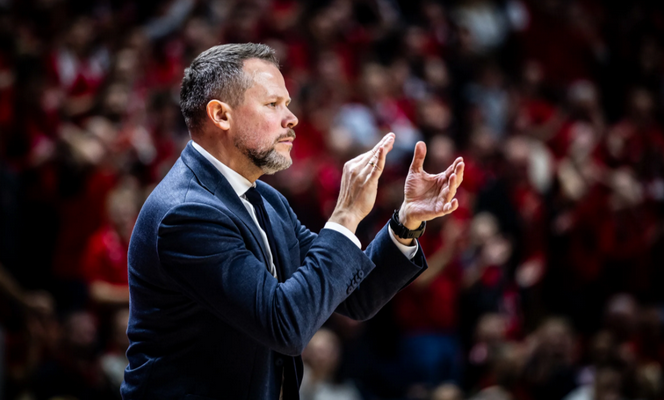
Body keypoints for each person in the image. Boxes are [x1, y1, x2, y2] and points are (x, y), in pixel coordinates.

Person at [121, 43, 464, 400]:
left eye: (287, 103)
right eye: (273, 104)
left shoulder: (267, 199)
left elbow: (355, 294)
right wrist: (345, 215)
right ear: (221, 115)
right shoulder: (187, 213)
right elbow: (285, 325)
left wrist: (405, 223)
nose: (292, 118)